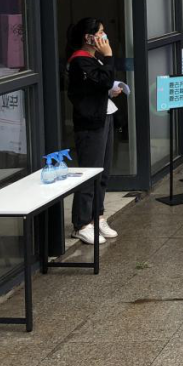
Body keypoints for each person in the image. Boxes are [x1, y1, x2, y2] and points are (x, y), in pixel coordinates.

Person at [65, 18, 122, 245]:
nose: (103, 37)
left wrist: (110, 90)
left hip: (103, 116)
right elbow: (102, 81)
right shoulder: (79, 61)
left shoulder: (92, 59)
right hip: (90, 123)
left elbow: (98, 86)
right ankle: (81, 224)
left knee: (102, 173)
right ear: (88, 37)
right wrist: (108, 56)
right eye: (100, 32)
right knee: (89, 174)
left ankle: (97, 216)